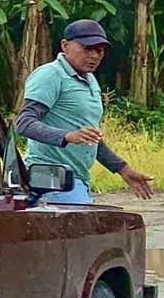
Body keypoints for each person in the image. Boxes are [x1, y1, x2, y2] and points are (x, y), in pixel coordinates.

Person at [14, 19, 156, 203]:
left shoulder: (90, 80)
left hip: (76, 179)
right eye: (87, 48)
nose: (94, 55)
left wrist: (123, 169)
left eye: (99, 50)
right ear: (65, 46)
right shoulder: (51, 75)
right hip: (51, 178)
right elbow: (24, 123)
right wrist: (67, 136)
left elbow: (89, 139)